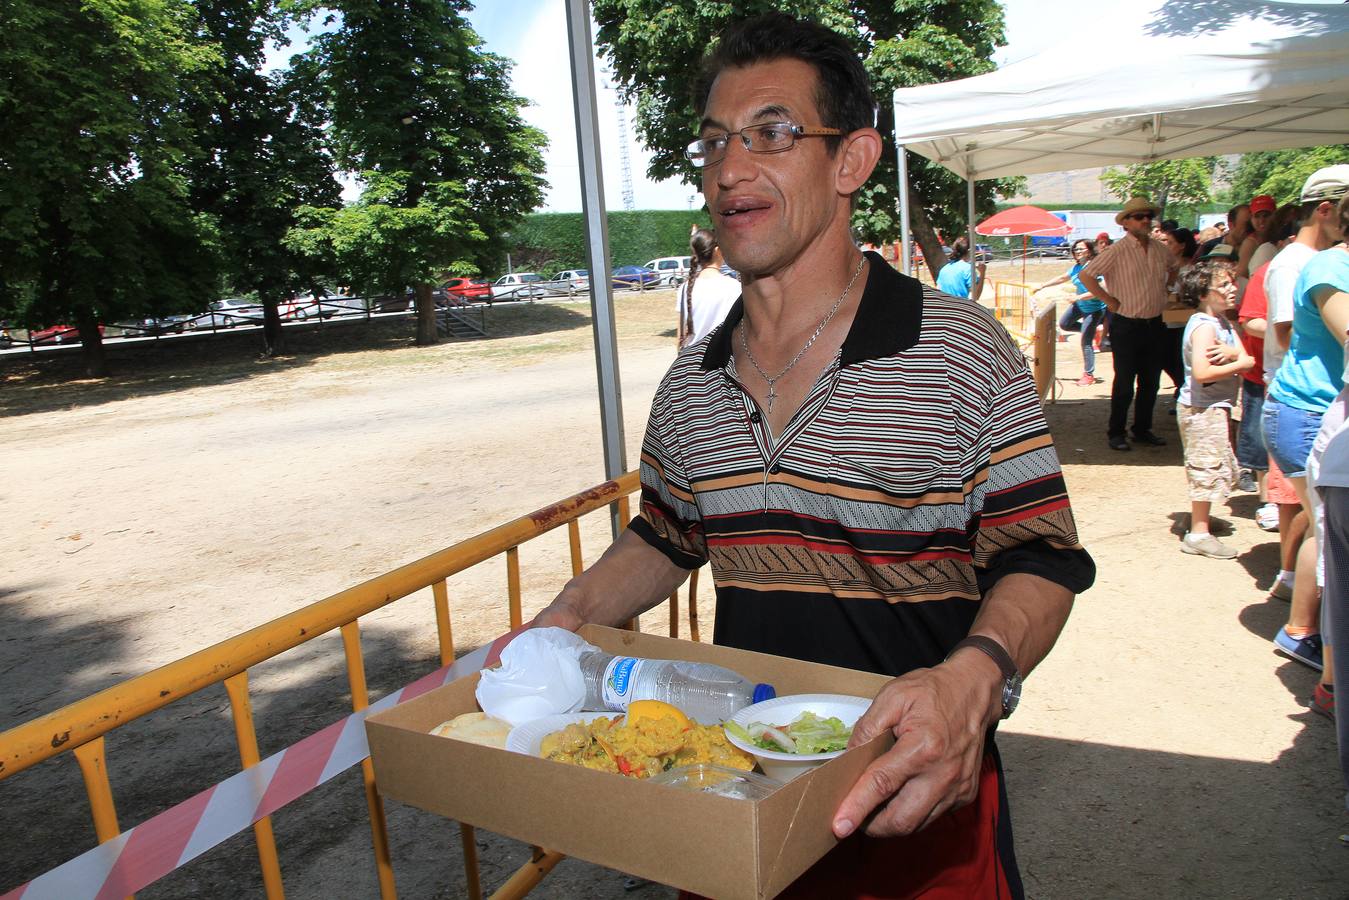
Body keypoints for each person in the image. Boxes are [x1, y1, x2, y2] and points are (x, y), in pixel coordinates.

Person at [531, 14, 1094, 898]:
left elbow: (1041, 560)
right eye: (714, 140)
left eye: (772, 133)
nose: (728, 168)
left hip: (918, 817)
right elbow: (666, 537)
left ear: (851, 161)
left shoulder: (958, 349)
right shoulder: (690, 381)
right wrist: (568, 613)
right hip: (736, 808)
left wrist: (977, 677)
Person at [1263, 165, 1349, 671]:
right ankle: (1304, 633)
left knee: (1322, 527)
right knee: (1325, 529)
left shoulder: (1313, 262)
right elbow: (1280, 333)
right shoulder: (1311, 266)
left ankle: (1304, 625)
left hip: (1313, 407)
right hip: (1308, 410)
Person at [1080, 197, 1179, 452]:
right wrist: (1108, 300)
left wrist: (1167, 287)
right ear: (1126, 222)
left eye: (1148, 215)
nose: (1145, 220)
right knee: (1124, 381)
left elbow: (1175, 267)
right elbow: (1086, 275)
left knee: (1150, 381)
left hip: (1154, 323)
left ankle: (1142, 429)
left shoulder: (1159, 249)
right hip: (1127, 324)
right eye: (1139, 216)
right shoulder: (1116, 250)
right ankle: (1116, 432)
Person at [1174, 260, 1253, 558]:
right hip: (1201, 410)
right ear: (1204, 294)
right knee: (1205, 469)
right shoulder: (1204, 327)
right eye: (1223, 285)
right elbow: (1202, 372)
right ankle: (1198, 533)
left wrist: (1236, 355)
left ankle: (1201, 518)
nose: (1232, 288)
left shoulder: (1223, 323)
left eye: (1231, 282)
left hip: (1214, 407)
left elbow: (1244, 355)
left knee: (1213, 464)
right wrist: (1240, 363)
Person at [1033, 238, 1103, 385]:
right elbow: (1062, 278)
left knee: (1086, 342)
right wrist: (1042, 285)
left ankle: (1088, 375)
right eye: (1075, 249)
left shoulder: (1095, 268)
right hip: (1079, 305)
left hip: (1094, 309)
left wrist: (1077, 297)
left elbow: (1099, 291)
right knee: (1064, 324)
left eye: (1081, 249)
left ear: (1089, 251)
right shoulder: (1076, 268)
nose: (1077, 251)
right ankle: (1090, 331)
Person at [676, 227, 741, 348]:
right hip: (721, 360)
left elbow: (680, 335)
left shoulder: (684, 288)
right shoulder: (733, 287)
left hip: (691, 361)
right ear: (717, 251)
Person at [935, 236, 986, 300]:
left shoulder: (944, 269)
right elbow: (976, 296)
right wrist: (982, 273)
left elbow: (938, 289)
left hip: (944, 306)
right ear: (969, 250)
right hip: (960, 307)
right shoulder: (968, 269)